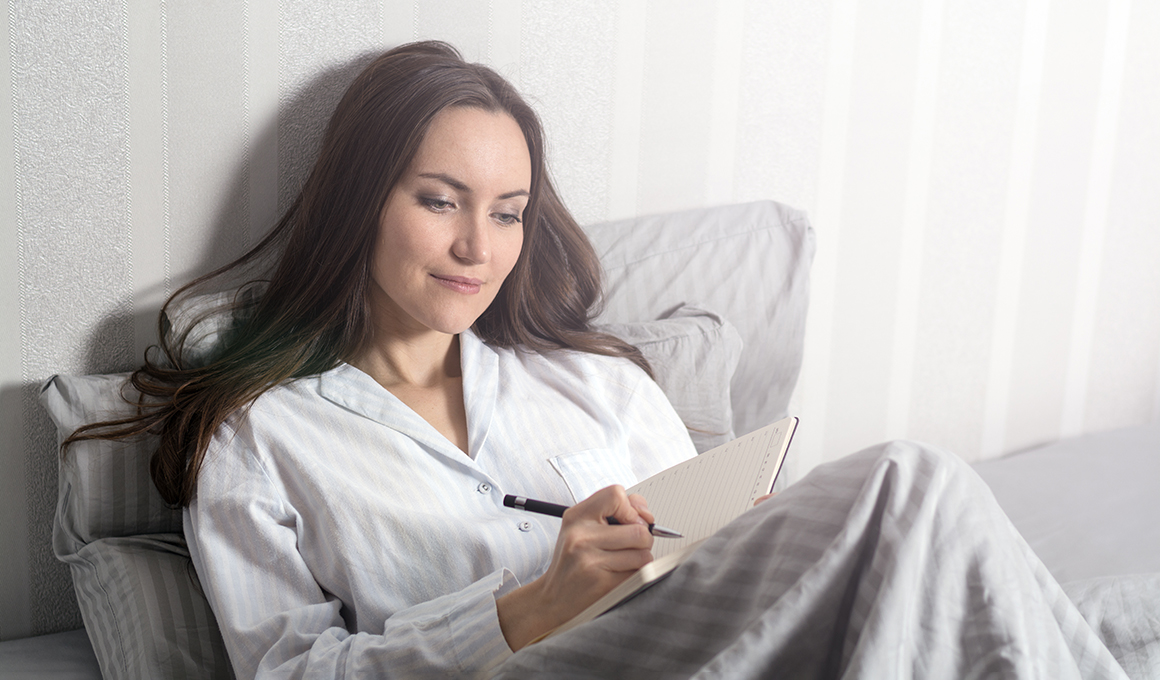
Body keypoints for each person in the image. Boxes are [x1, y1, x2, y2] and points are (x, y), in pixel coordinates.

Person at [67, 41, 1126, 679]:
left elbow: (724, 558)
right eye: (439, 201)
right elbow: (289, 669)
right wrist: (527, 602)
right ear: (361, 199)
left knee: (914, 550)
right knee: (909, 479)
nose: (477, 247)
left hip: (713, 646)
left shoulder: (591, 382)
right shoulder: (260, 431)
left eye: (508, 212)